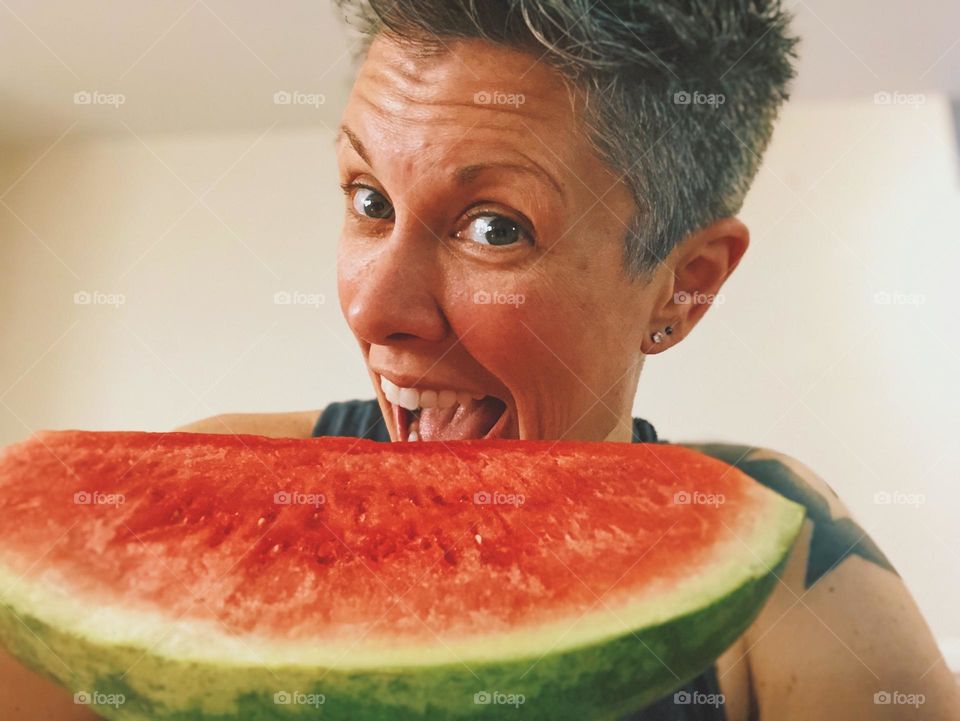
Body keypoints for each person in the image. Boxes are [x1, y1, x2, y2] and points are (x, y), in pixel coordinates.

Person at [3, 1, 957, 719]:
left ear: (684, 284)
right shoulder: (223, 481)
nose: (373, 308)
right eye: (368, 198)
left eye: (494, 226)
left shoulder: (783, 571)